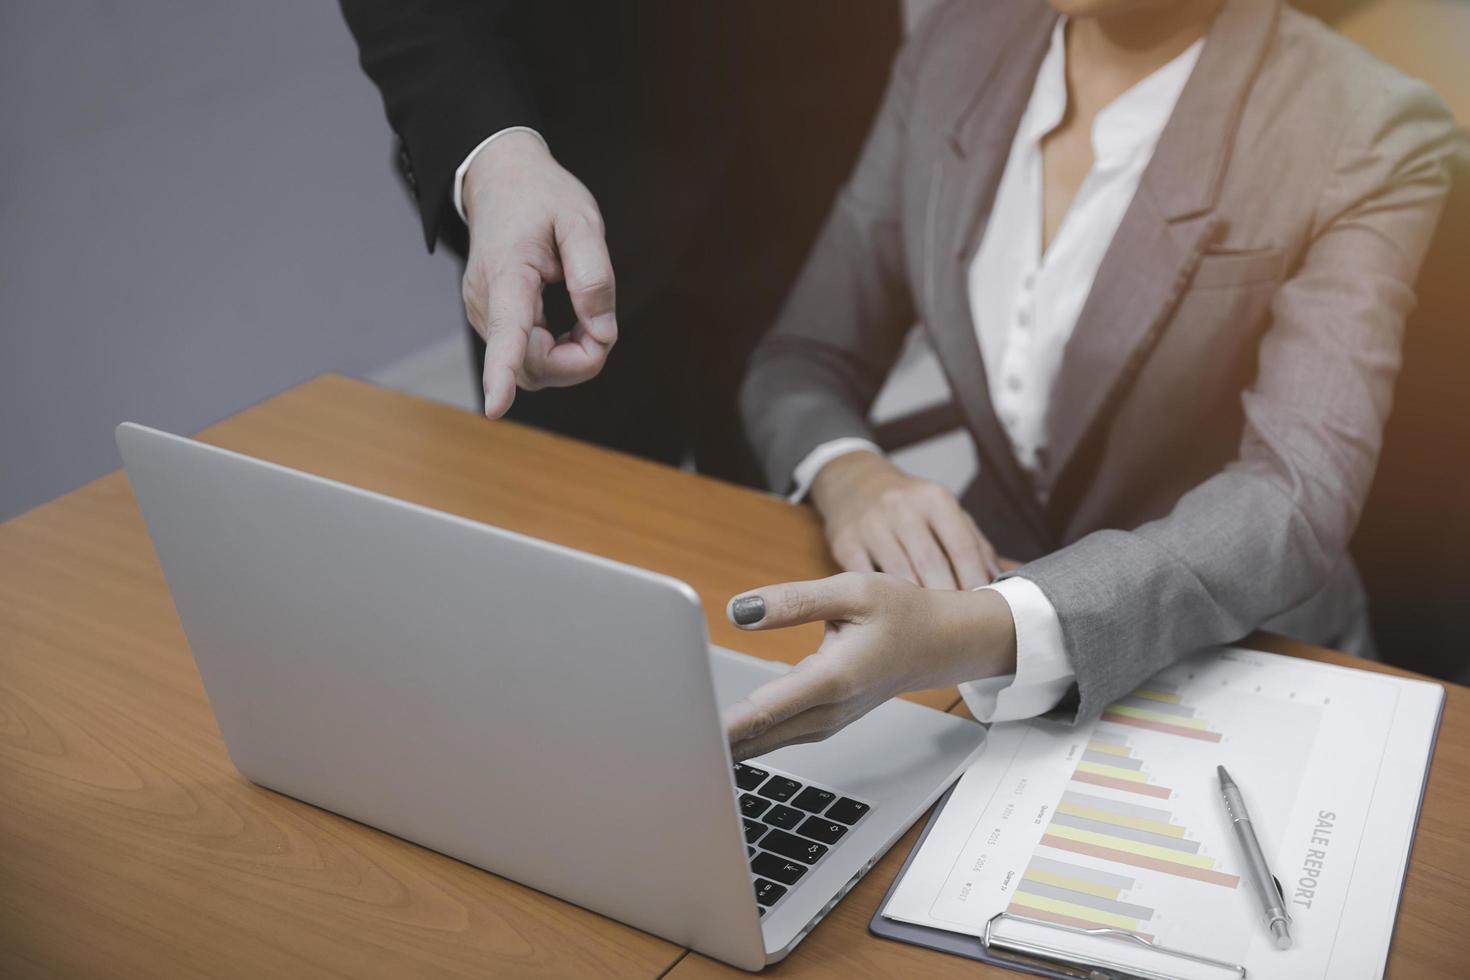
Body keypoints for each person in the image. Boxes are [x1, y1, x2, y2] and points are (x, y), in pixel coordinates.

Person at [726, 0, 1463, 761]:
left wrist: (987, 630)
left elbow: (1295, 492)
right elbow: (804, 353)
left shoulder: (1367, 122)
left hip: (1237, 659)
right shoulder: (961, 36)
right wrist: (851, 473)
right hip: (984, 616)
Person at [339, 1, 900, 484]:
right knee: (569, 530)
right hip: (563, 196)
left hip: (815, 157)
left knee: (792, 525)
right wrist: (493, 154)